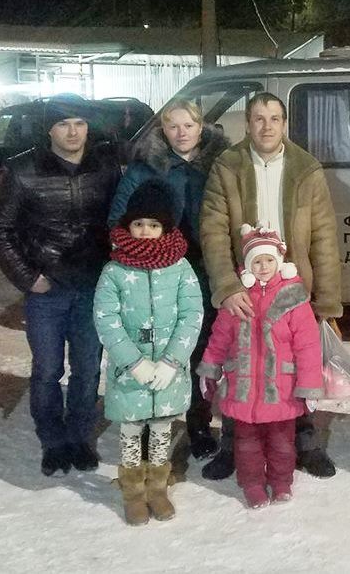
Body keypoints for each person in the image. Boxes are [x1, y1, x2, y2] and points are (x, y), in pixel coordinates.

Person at [200, 92, 343, 480]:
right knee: (240, 366)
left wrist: (327, 302)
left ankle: (304, 444)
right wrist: (228, 285)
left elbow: (324, 236)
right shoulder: (227, 166)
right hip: (244, 288)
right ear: (247, 123)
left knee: (295, 366)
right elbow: (213, 230)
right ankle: (232, 445)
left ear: (284, 124)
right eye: (259, 119)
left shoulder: (306, 169)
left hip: (293, 288)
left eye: (274, 119)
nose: (267, 126)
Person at [0, 93, 119, 476]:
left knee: (87, 369)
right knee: (47, 370)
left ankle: (79, 436)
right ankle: (52, 441)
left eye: (79, 123)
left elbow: (119, 220)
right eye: (63, 124)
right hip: (47, 290)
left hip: (92, 286)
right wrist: (29, 278)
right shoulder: (21, 170)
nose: (73, 131)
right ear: (49, 129)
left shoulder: (105, 168)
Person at [107, 98, 229, 460]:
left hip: (206, 270)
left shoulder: (220, 164)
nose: (181, 133)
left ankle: (199, 424)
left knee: (199, 349)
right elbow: (118, 219)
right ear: (163, 128)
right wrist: (141, 257)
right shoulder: (145, 168)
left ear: (201, 127)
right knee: (153, 348)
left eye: (188, 125)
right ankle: (148, 424)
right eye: (173, 126)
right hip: (159, 274)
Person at [94, 179, 202, 525]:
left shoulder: (181, 268)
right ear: (128, 225)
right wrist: (134, 362)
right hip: (130, 373)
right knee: (130, 430)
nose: (145, 231)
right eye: (138, 223)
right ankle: (132, 491)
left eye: (153, 225)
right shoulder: (115, 270)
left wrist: (172, 362)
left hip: (168, 372)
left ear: (165, 228)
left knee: (160, 430)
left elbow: (192, 315)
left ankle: (157, 487)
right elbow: (106, 320)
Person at [199, 224, 323, 508]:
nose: (263, 267)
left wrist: (309, 386)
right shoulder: (237, 298)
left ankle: (281, 482)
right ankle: (252, 484)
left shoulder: (294, 298)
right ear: (247, 266)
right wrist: (210, 368)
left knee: (282, 443)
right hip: (243, 389)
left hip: (281, 390)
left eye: (269, 260)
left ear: (279, 262)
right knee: (246, 444)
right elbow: (220, 337)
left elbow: (307, 345)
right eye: (257, 261)